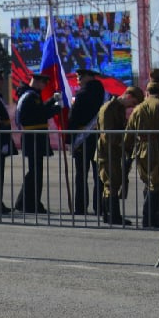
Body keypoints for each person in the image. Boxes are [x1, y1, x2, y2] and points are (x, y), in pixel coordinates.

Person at [12, 80, 63, 213]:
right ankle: (28, 203)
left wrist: (52, 100)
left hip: (34, 137)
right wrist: (56, 109)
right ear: (37, 82)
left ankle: (26, 202)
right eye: (43, 82)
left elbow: (40, 109)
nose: (45, 84)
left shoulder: (31, 95)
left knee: (35, 172)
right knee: (35, 172)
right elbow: (40, 114)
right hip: (34, 138)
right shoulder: (30, 96)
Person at [125, 80, 159, 229]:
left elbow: (128, 133)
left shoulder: (137, 109)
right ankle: (149, 219)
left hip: (140, 150)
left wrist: (127, 149)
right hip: (157, 149)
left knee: (149, 183)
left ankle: (155, 218)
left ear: (147, 92)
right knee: (156, 185)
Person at [94, 86, 141, 226]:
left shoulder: (118, 109)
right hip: (106, 152)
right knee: (111, 183)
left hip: (114, 152)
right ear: (128, 96)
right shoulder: (108, 108)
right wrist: (125, 141)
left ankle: (109, 215)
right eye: (133, 103)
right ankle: (113, 216)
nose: (132, 107)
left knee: (113, 182)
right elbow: (107, 134)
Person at [67, 67, 106, 214]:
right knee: (99, 174)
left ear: (89, 77)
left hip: (83, 138)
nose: (78, 79)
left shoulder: (82, 95)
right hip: (99, 137)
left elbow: (74, 118)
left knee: (81, 174)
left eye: (81, 76)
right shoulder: (104, 94)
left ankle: (81, 207)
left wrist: (69, 139)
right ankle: (100, 207)